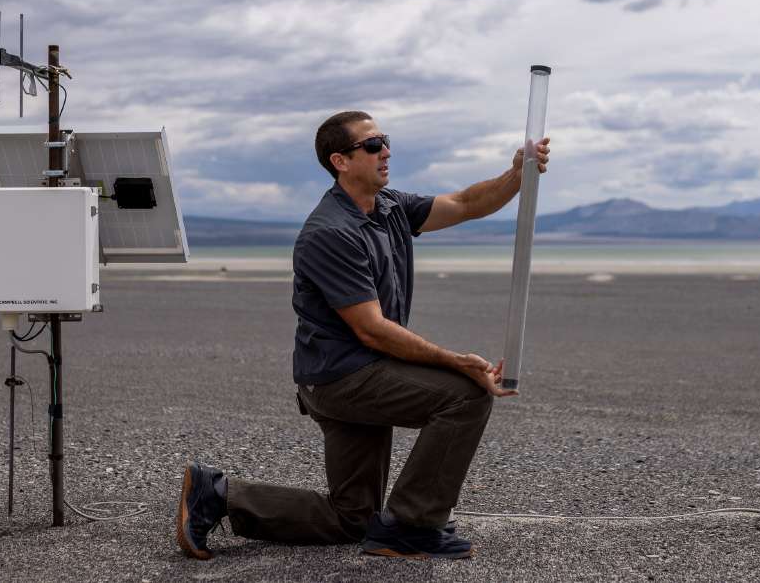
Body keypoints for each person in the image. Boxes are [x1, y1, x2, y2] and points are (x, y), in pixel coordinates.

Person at [177, 110, 550, 560]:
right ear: (341, 161)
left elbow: (469, 204)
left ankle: (217, 494)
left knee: (351, 517)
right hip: (342, 377)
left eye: (385, 141)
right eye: (372, 145)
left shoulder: (389, 207)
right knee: (465, 396)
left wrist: (516, 173)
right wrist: (455, 361)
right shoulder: (330, 232)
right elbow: (372, 331)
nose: (386, 151)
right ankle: (412, 526)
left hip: (356, 370)